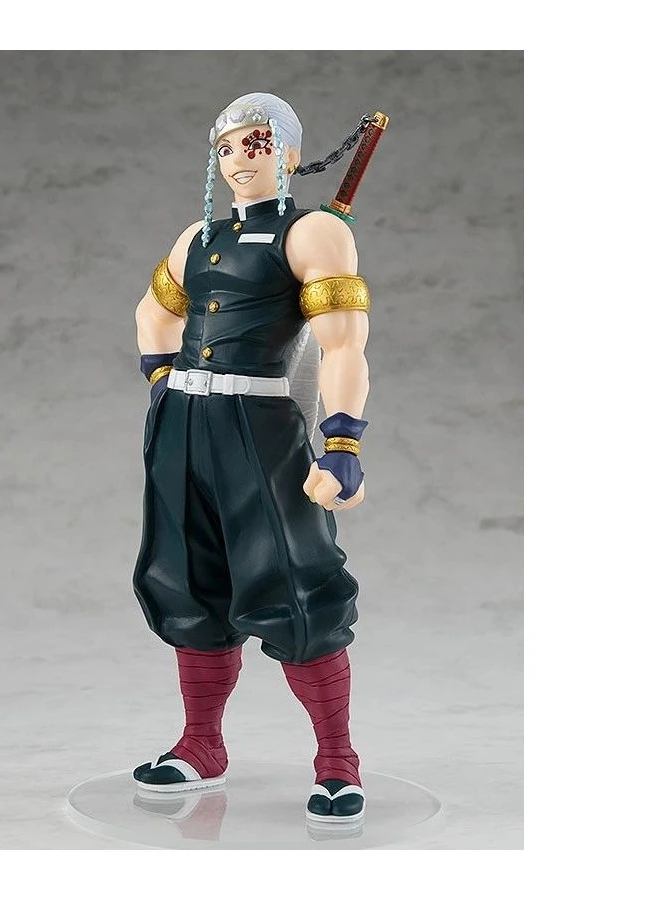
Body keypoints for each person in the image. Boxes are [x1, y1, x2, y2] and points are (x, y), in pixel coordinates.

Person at [131, 93, 372, 822]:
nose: (240, 157)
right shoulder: (197, 236)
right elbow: (154, 313)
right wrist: (163, 383)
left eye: (258, 142)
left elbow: (343, 343)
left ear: (290, 153)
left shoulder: (313, 233)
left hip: (258, 428)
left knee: (295, 582)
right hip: (183, 425)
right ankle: (200, 744)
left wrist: (342, 442)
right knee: (186, 579)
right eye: (228, 145)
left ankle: (337, 760)